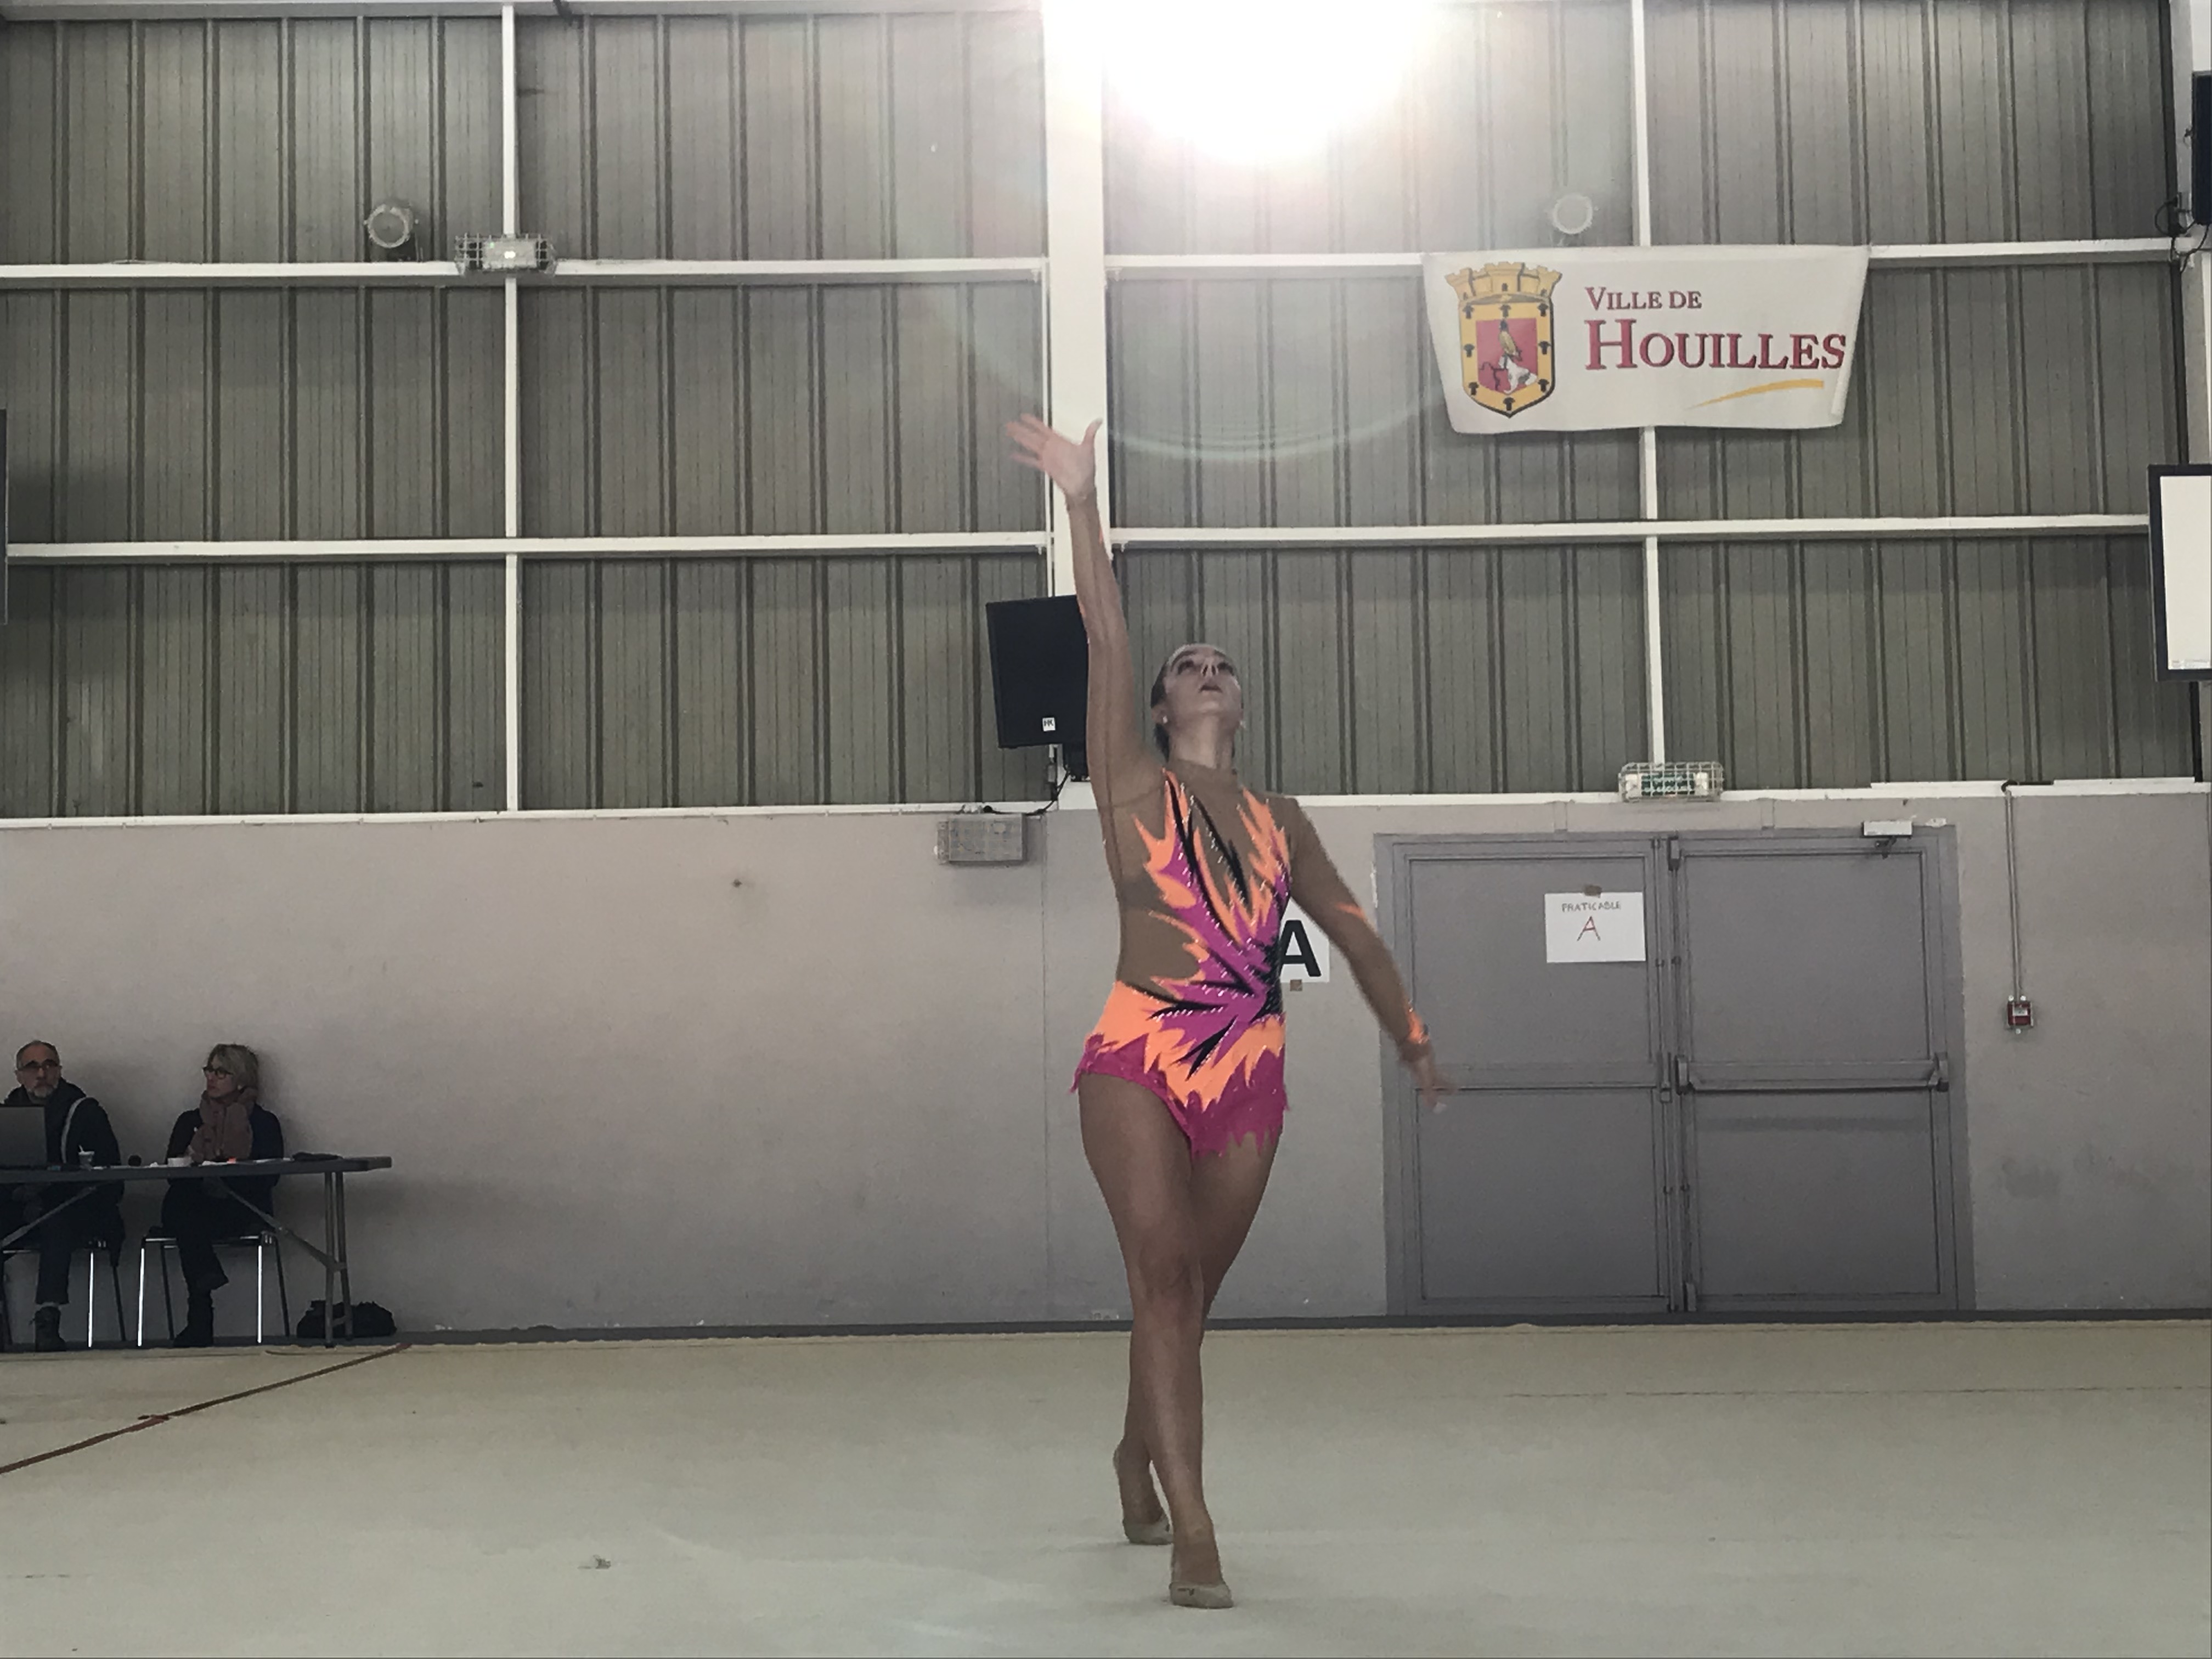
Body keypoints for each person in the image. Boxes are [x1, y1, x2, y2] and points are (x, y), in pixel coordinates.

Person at [1006, 415, 1447, 1609]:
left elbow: (1352, 930)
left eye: (1222, 666)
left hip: (1248, 1070)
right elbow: (1105, 631)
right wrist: (1082, 501)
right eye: (1186, 665)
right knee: (1159, 1273)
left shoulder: (1279, 819)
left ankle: (1132, 1452)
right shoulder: (1129, 781)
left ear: (1239, 708)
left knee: (1189, 1294)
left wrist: (1409, 1034)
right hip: (1139, 1051)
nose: (1205, 669)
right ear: (1156, 708)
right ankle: (1195, 1526)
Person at [2, 1042, 125, 1353]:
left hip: (75, 1207)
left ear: (59, 1070)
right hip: (20, 1203)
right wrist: (21, 1192)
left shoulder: (85, 1112)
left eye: (49, 1065)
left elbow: (109, 1176)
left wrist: (52, 1188)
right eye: (32, 1067)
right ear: (19, 1075)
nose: (42, 1074)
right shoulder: (8, 1115)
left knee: (57, 1221)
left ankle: (48, 1317)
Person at [160, 1043, 284, 1348]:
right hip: (196, 1205)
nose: (211, 1078)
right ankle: (204, 1292)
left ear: (241, 1080)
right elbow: (171, 1173)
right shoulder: (189, 1121)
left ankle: (200, 1314)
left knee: (187, 1219)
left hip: (240, 1206)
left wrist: (225, 1178)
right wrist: (194, 1162)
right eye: (209, 1070)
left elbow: (270, 1176)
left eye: (221, 1072)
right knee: (182, 1208)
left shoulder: (263, 1123)